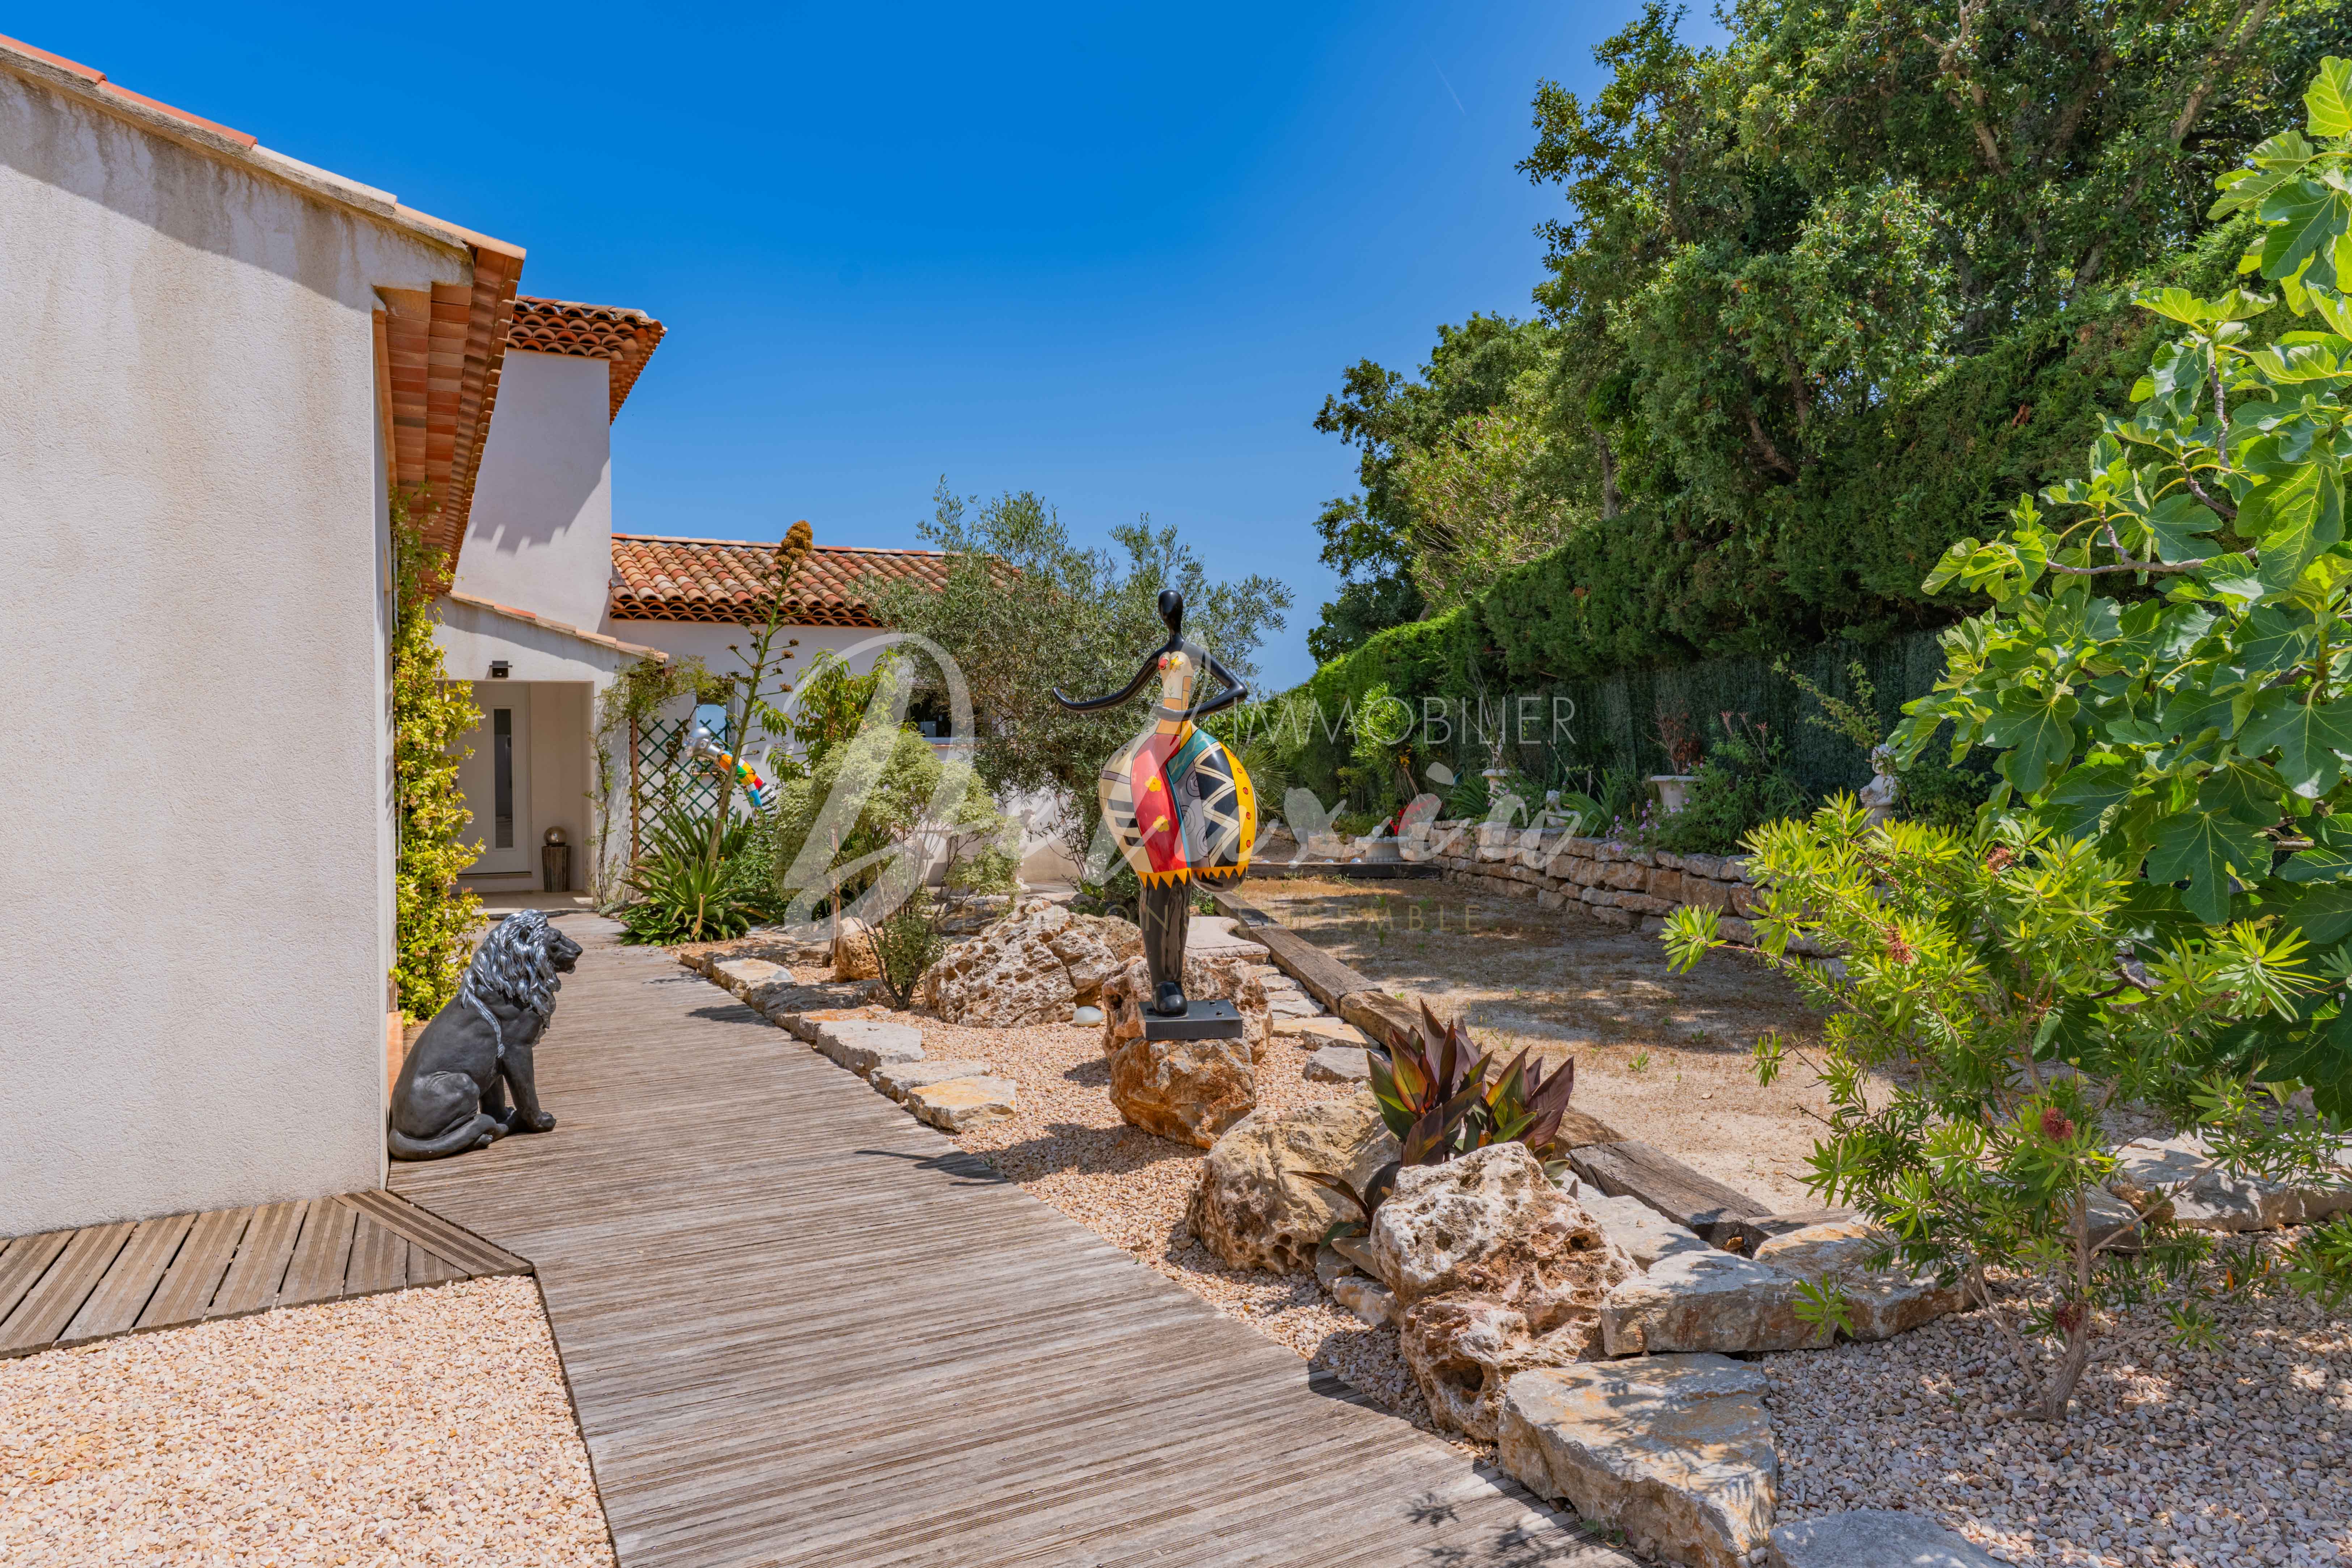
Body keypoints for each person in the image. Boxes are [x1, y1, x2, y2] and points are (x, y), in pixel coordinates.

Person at [1054, 589, 1257, 1016]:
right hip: (1154, 749)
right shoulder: (1159, 654)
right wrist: (1074, 705)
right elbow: (1124, 695)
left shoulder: (1194, 651)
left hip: (1185, 743)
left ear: (1180, 610)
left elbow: (1238, 689)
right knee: (1162, 870)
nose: (1169, 613)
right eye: (1164, 607)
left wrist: (1190, 714)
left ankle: (1171, 978)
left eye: (1173, 606)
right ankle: (1167, 983)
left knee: (1219, 854)